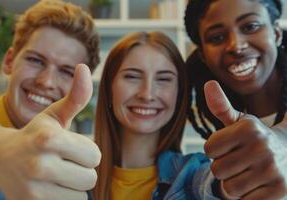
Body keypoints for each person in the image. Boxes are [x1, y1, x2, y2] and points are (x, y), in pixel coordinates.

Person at [0, 0, 101, 199]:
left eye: (66, 71)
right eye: (35, 60)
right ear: (9, 61)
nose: (46, 82)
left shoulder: (77, 167)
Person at [91, 31, 221, 200]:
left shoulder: (194, 173)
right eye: (132, 76)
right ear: (109, 89)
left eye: (164, 79)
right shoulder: (74, 175)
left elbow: (216, 188)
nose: (147, 94)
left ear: (179, 94)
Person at [185, 0, 287, 199]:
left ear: (276, 33)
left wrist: (281, 140)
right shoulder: (226, 127)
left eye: (250, 26)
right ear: (203, 56)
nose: (236, 46)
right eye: (217, 37)